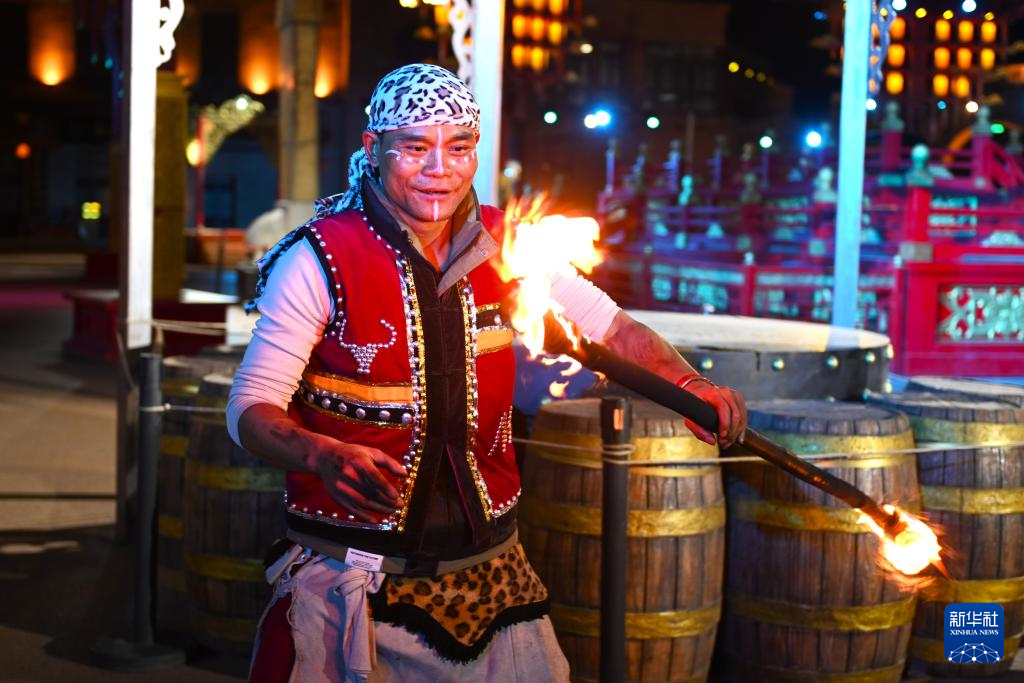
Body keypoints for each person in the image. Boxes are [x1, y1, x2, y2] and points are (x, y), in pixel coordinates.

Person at [228, 63, 748, 683]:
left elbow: (614, 330)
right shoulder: (319, 257)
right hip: (354, 578)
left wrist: (689, 385)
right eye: (414, 148)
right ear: (374, 148)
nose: (439, 169)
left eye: (459, 147)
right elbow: (251, 408)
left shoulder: (513, 245)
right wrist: (321, 454)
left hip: (494, 574)